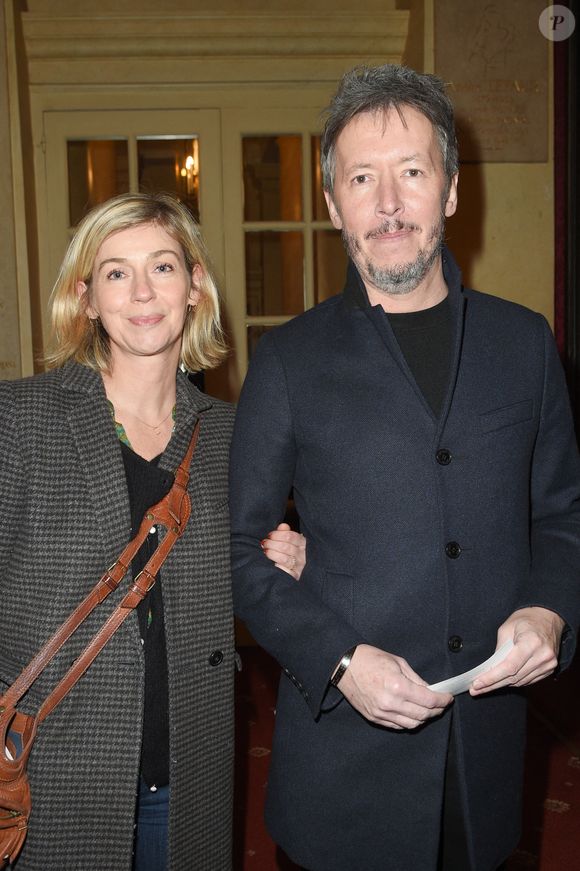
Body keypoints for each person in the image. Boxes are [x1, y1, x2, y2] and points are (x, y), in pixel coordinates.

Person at [229, 64, 580, 871]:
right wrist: (342, 659)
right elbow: (240, 551)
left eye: (412, 172)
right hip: (340, 774)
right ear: (333, 206)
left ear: (450, 191)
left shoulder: (524, 343)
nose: (388, 203)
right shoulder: (287, 361)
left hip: (487, 766)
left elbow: (562, 513)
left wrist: (551, 610)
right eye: (362, 178)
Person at [0, 192, 305, 871]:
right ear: (85, 297)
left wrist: (293, 559)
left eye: (163, 267)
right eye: (115, 272)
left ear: (195, 286)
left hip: (187, 769)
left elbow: (242, 577)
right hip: (52, 776)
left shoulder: (232, 435)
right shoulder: (20, 419)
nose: (142, 291)